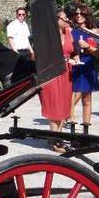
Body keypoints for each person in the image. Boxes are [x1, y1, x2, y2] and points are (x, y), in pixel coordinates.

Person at [39, 9, 77, 152]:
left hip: (66, 73)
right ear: (56, 21)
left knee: (63, 106)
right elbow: (42, 55)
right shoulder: (48, 36)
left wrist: (75, 58)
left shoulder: (69, 33)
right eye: (64, 18)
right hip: (52, 73)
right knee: (53, 105)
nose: (67, 20)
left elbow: (74, 50)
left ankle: (57, 138)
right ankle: (55, 141)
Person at [69, 4, 99, 125]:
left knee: (87, 97)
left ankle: (86, 124)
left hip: (88, 65)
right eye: (76, 14)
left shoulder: (93, 32)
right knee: (74, 94)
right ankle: (71, 120)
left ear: (87, 16)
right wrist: (73, 56)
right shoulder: (71, 31)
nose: (78, 16)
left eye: (81, 14)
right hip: (75, 65)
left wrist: (88, 46)